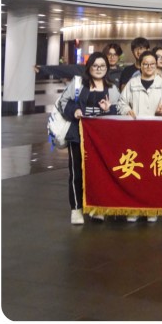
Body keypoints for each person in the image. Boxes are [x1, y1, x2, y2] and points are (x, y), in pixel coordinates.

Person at [58, 52, 121, 225]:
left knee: (99, 173)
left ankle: (96, 207)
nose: (99, 69)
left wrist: (109, 109)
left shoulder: (112, 88)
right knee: (76, 173)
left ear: (107, 68)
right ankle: (76, 209)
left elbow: (120, 110)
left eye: (102, 66)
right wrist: (75, 111)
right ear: (89, 67)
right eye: (95, 66)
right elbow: (64, 102)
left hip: (101, 140)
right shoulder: (78, 84)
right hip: (77, 136)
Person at [117, 50, 162, 222]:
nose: (149, 67)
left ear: (157, 65)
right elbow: (121, 103)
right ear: (140, 66)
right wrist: (127, 111)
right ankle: (134, 208)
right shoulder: (132, 83)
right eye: (145, 64)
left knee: (153, 172)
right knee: (136, 171)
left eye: (152, 64)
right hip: (135, 134)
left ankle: (151, 209)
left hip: (157, 134)